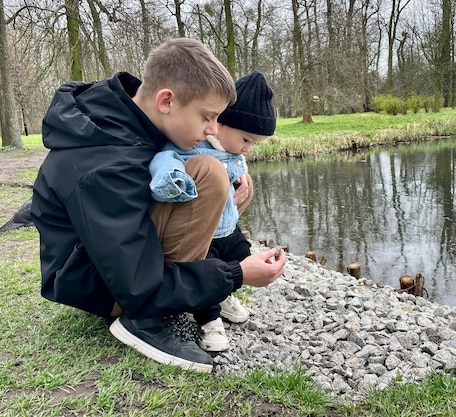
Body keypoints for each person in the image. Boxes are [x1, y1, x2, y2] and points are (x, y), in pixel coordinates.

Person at [30, 38, 286, 373]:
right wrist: (236, 274)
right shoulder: (106, 164)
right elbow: (138, 283)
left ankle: (195, 291)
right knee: (208, 174)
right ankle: (148, 321)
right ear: (166, 100)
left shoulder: (133, 122)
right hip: (105, 286)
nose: (213, 129)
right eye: (207, 117)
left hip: (115, 263)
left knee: (227, 177)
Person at [149, 70, 276, 352]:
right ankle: (209, 319)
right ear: (222, 124)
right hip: (200, 233)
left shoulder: (234, 153)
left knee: (242, 256)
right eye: (246, 141)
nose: (248, 149)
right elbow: (165, 158)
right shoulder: (193, 145)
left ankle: (222, 293)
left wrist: (241, 176)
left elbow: (236, 163)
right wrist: (172, 180)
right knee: (205, 268)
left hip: (227, 228)